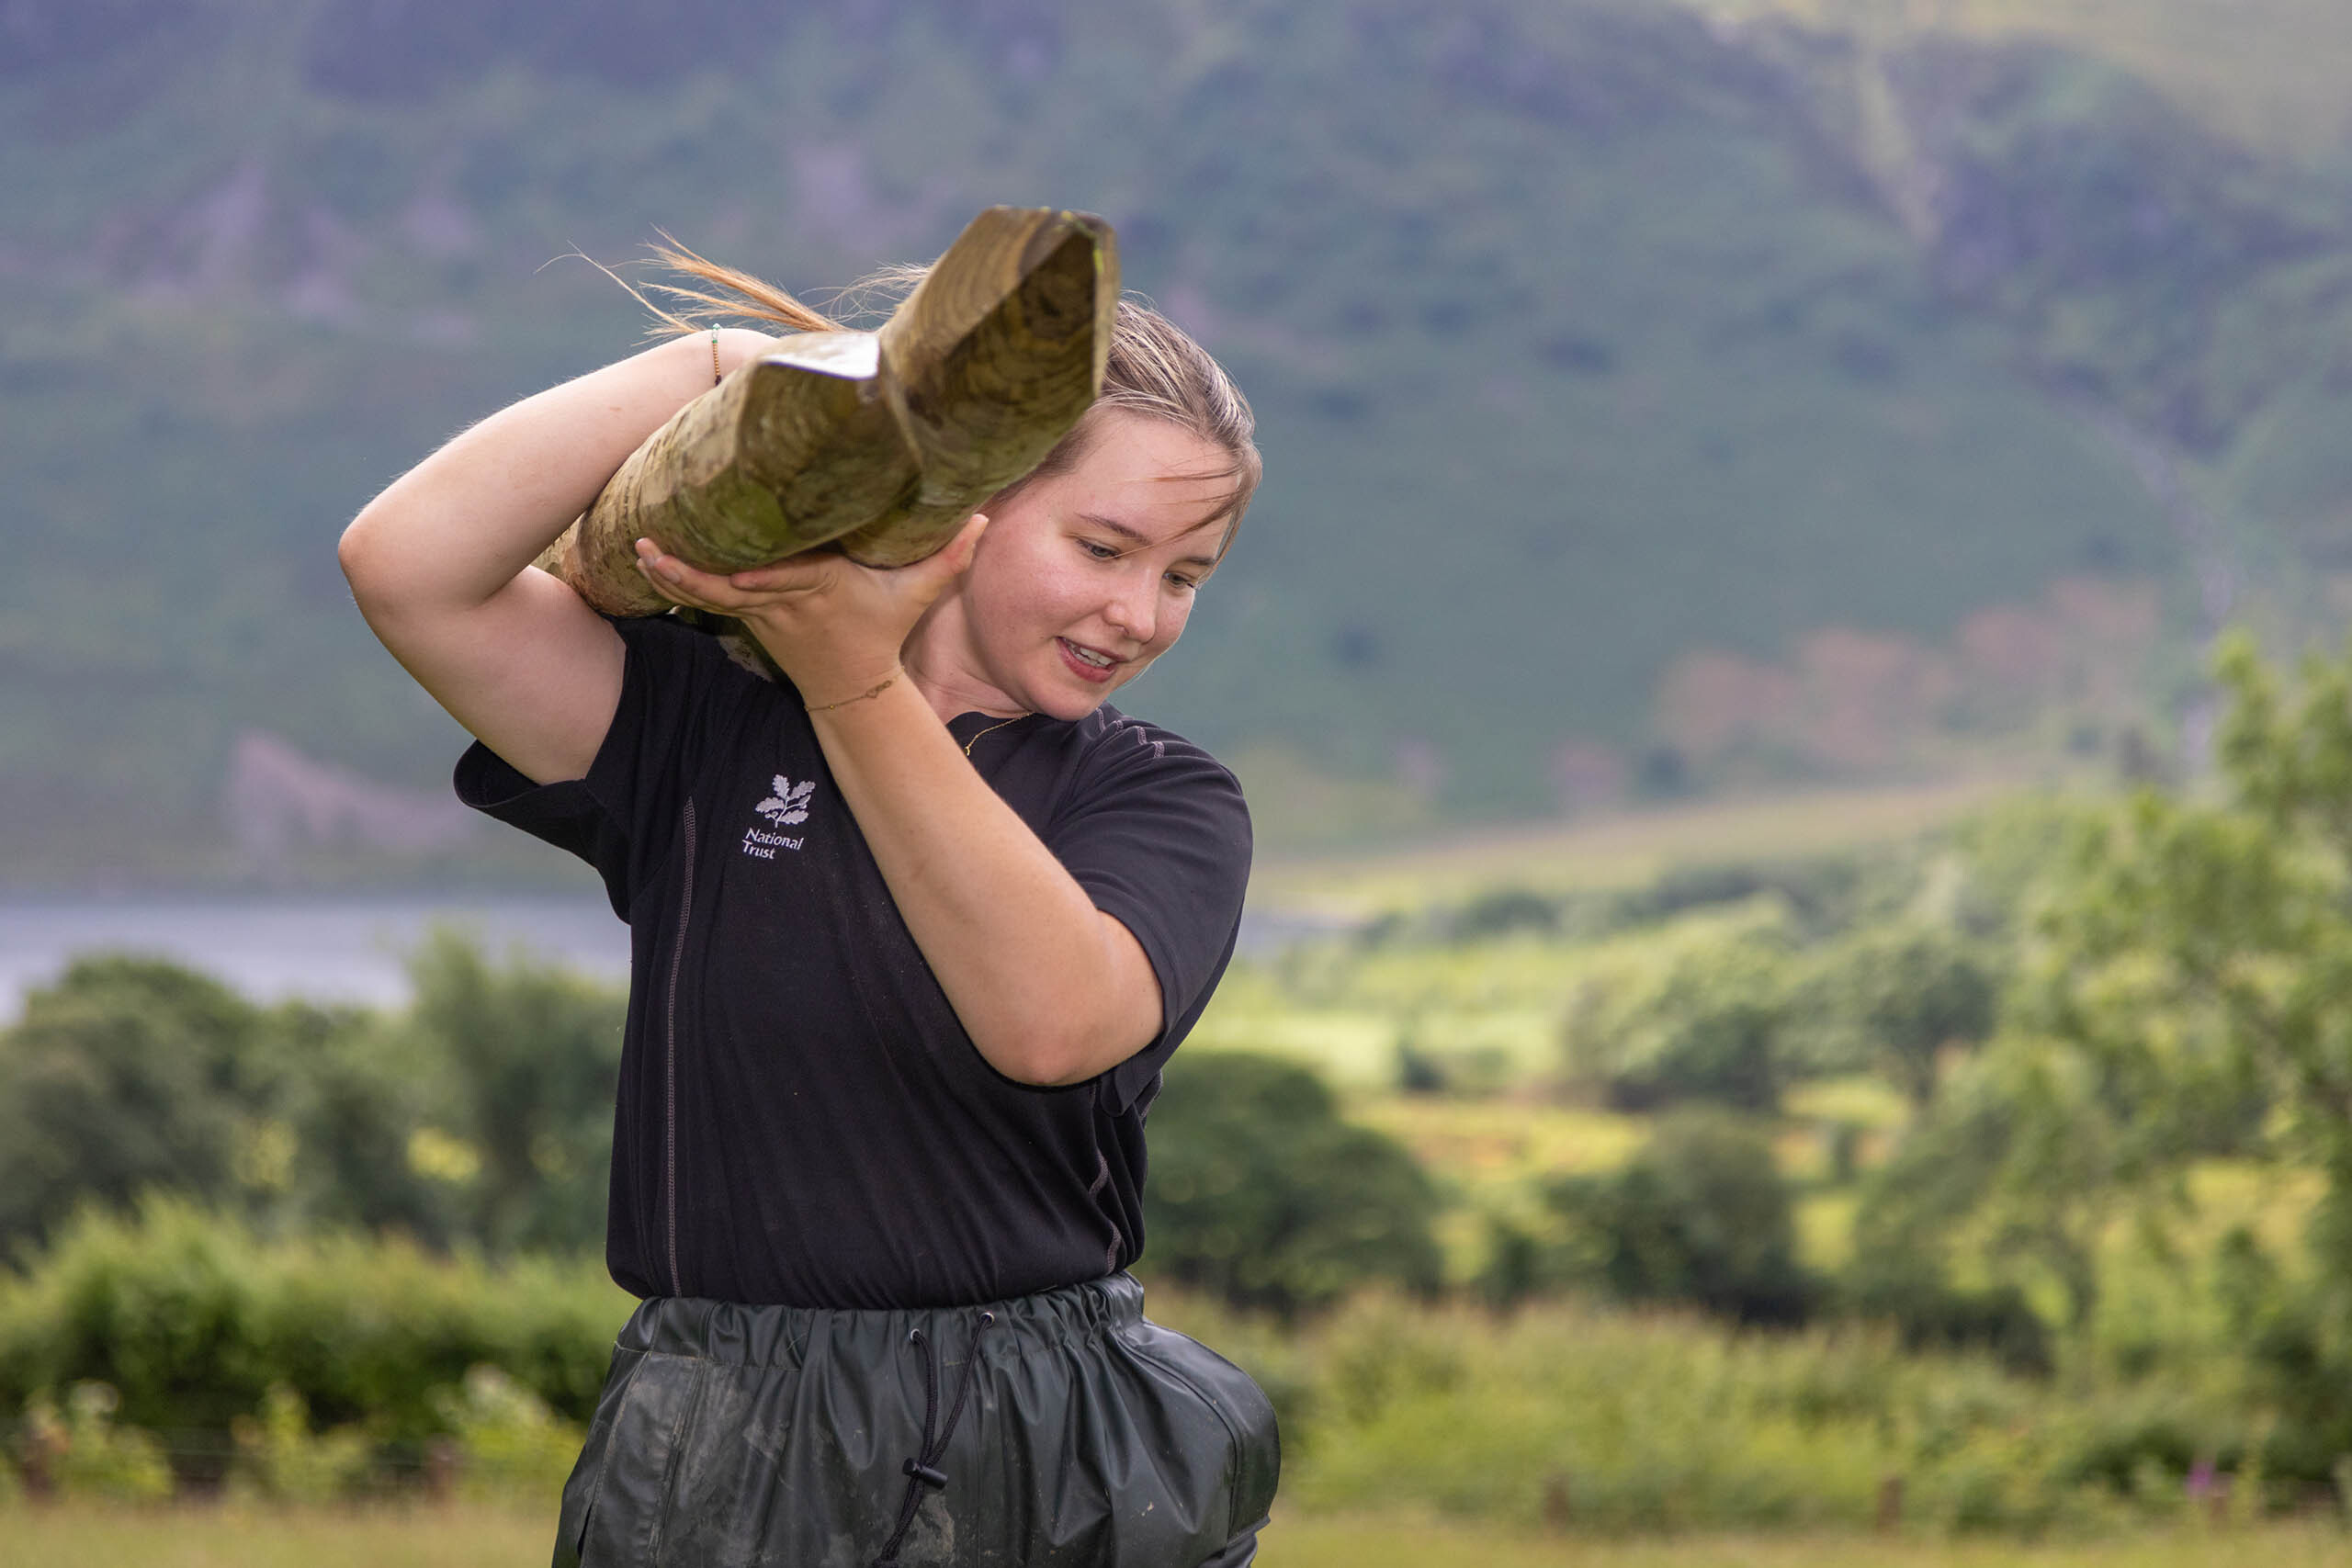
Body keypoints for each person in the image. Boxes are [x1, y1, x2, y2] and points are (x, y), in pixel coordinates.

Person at [337, 252, 1279, 1566]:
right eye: (1104, 546)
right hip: (713, 1432)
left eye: (1185, 576)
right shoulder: (703, 724)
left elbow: (1055, 1025)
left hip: (1038, 1443)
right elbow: (408, 568)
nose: (1138, 613)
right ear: (958, 502)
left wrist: (851, 678)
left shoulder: (1160, 798)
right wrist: (732, 369)